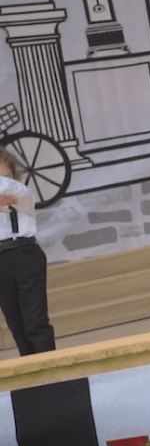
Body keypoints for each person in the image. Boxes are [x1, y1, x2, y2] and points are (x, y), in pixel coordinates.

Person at [0, 149, 54, 356]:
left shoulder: (22, 192)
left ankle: (50, 367)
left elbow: (8, 193)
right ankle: (31, 369)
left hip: (23, 253)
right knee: (16, 325)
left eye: (6, 175)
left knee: (35, 321)